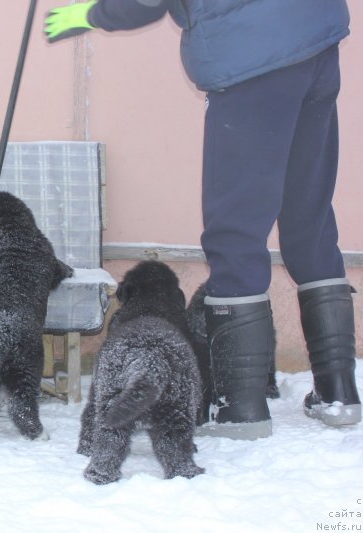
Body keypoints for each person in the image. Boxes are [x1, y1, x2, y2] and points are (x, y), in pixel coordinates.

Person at [45, 0, 360, 439]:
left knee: (235, 227)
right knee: (308, 214)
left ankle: (241, 410)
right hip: (315, 39)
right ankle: (338, 392)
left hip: (253, 59)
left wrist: (93, 13)